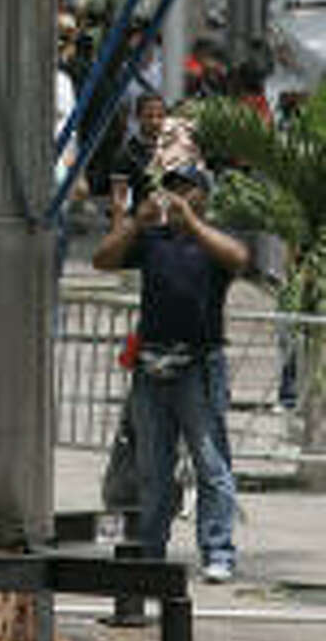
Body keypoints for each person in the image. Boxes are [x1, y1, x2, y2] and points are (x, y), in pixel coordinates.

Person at [92, 161, 250, 582]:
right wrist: (134, 223)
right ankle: (151, 549)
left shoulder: (212, 244)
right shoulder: (152, 241)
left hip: (198, 366)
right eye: (173, 187)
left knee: (210, 462)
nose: (178, 194)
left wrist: (192, 223)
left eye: (188, 188)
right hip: (152, 365)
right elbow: (102, 260)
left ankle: (218, 551)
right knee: (153, 466)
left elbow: (240, 259)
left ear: (204, 195)